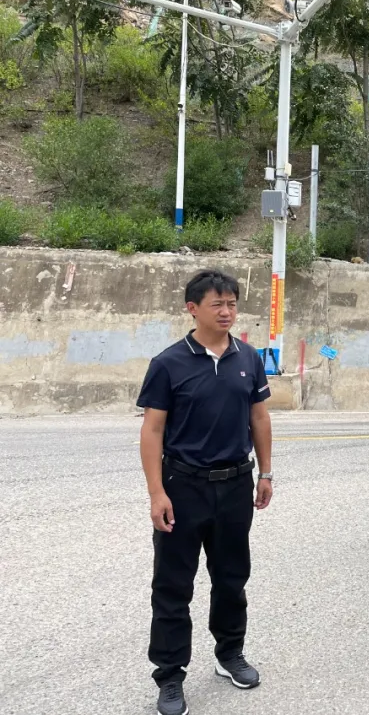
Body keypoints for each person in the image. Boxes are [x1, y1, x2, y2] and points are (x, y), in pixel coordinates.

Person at [137, 270, 274, 715]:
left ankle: (230, 654)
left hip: (235, 485)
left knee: (232, 578)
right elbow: (152, 430)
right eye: (217, 304)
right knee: (173, 585)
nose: (227, 311)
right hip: (183, 486)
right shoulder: (168, 363)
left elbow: (259, 418)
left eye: (232, 303)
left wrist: (266, 473)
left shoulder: (248, 357)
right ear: (192, 308)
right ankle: (170, 675)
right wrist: (156, 493)